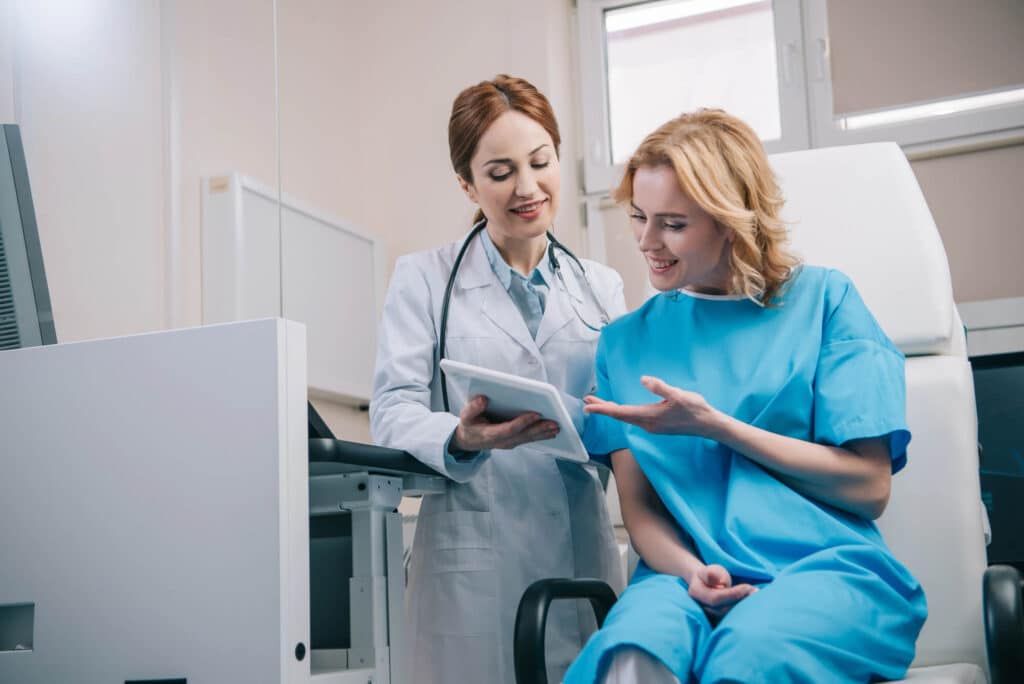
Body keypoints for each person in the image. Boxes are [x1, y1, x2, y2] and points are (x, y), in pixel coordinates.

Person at [563, 109, 927, 684]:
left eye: (673, 224)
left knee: (749, 656)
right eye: (639, 216)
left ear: (731, 220)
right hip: (677, 577)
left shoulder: (825, 303)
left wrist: (719, 427)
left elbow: (869, 486)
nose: (646, 241)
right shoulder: (624, 344)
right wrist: (691, 573)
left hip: (821, 570)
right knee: (633, 656)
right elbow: (642, 510)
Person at [370, 74, 627, 684]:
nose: (527, 187)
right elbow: (391, 412)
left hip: (580, 553)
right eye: (500, 171)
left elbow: (624, 421)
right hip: (472, 565)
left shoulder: (602, 286)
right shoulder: (424, 279)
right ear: (467, 182)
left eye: (541, 163)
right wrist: (461, 438)